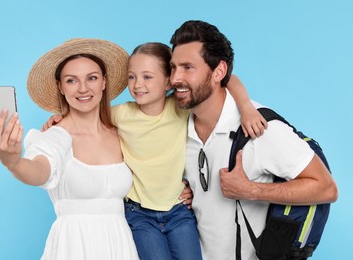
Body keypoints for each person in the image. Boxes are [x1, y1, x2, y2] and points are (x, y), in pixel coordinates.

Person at [43, 41, 267, 259]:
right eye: (132, 77)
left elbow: (228, 80)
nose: (138, 84)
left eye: (147, 77)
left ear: (169, 82)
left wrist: (246, 107)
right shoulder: (120, 114)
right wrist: (59, 120)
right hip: (139, 214)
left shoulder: (180, 108)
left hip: (178, 210)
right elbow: (84, 114)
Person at [169, 20, 338, 260]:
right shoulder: (177, 125)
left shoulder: (260, 129)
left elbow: (326, 188)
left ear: (219, 71)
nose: (175, 78)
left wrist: (250, 190)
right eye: (173, 67)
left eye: (188, 67)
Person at [0, 38, 139, 260]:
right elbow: (39, 170)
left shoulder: (121, 132)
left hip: (120, 244)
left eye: (92, 78)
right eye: (71, 81)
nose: (83, 88)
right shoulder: (56, 137)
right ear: (60, 87)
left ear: (104, 82)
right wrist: (13, 162)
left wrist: (182, 187)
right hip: (74, 247)